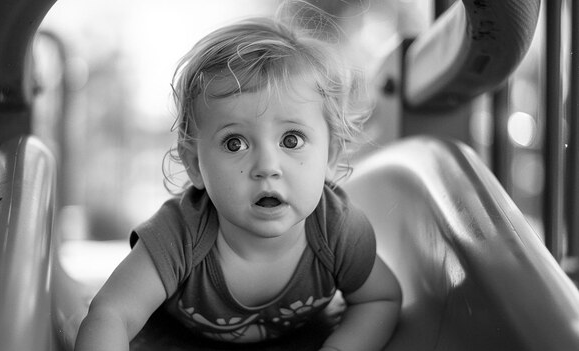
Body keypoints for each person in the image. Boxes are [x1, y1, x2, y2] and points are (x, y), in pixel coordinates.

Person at [75, 6, 401, 351]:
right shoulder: (180, 234)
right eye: (235, 143)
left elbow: (379, 299)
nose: (267, 166)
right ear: (195, 167)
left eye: (291, 140)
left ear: (331, 156)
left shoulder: (337, 229)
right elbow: (111, 313)